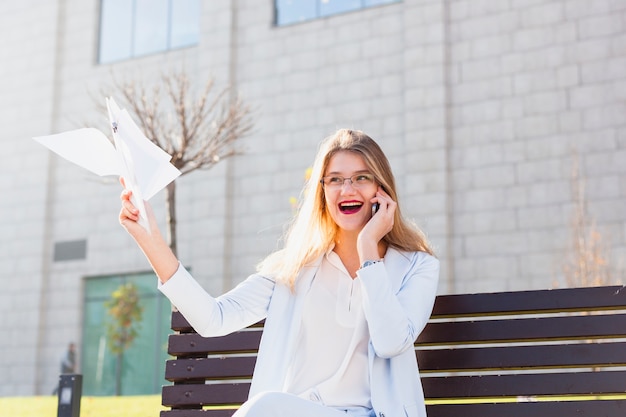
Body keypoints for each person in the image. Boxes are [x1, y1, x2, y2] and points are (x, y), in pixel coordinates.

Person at [119, 129, 439, 417]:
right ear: (322, 192)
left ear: (382, 189)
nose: (348, 189)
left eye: (361, 177)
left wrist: (369, 249)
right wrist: (150, 239)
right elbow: (213, 318)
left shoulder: (417, 267)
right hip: (300, 412)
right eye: (336, 179)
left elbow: (390, 342)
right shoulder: (295, 268)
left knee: (265, 408)